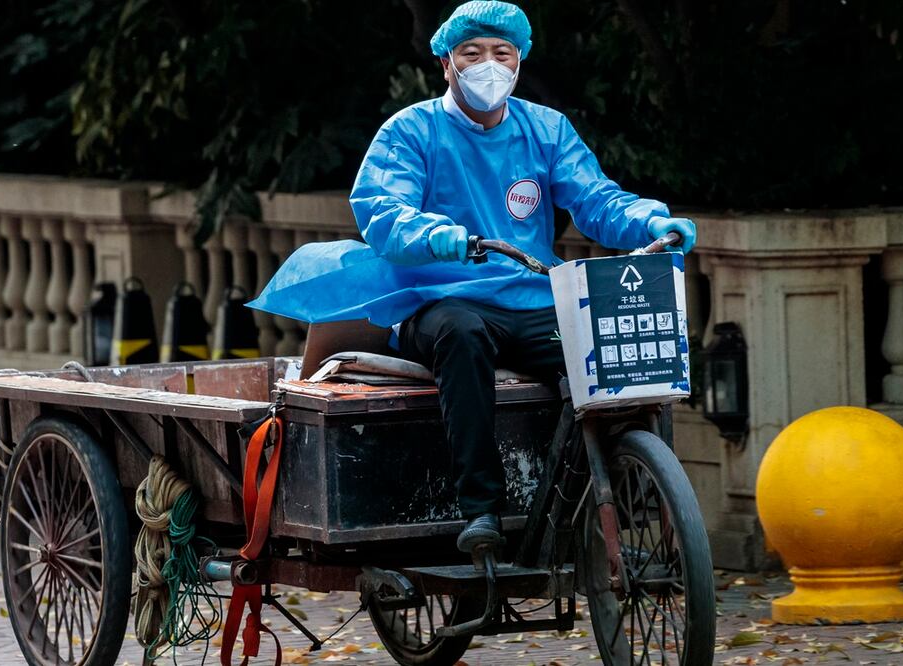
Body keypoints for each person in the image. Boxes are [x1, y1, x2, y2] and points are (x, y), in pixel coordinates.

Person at [249, 0, 696, 553]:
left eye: (501, 53)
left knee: (605, 343)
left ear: (519, 62)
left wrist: (650, 220)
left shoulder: (546, 130)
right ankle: (480, 509)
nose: (488, 65)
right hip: (440, 300)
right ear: (446, 64)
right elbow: (382, 210)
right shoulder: (411, 131)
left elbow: (596, 199)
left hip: (533, 296)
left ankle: (609, 497)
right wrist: (434, 234)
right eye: (472, 53)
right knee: (461, 333)